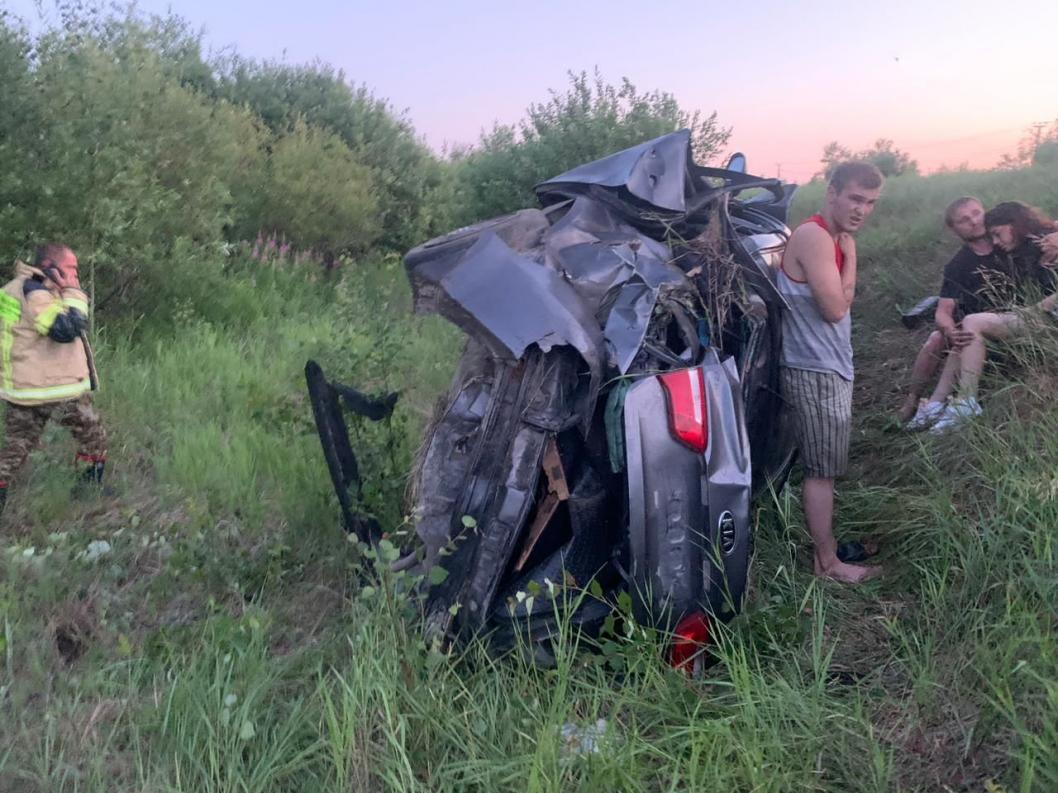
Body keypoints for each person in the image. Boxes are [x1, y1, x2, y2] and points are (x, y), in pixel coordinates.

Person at [778, 161, 884, 583]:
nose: (862, 209)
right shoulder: (814, 236)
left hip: (830, 366)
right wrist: (849, 254)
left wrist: (851, 253)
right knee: (820, 472)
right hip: (814, 370)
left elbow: (846, 297)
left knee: (828, 467)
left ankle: (828, 549)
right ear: (833, 192)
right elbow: (837, 308)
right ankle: (827, 565)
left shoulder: (836, 240)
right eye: (856, 198)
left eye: (871, 203)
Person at [928, 202, 1058, 433]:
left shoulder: (1045, 238)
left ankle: (963, 402)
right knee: (966, 331)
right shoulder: (1019, 249)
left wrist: (1035, 310)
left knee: (973, 323)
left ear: (1014, 224)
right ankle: (938, 404)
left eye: (997, 234)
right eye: (992, 236)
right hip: (1040, 317)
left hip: (1045, 317)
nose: (996, 241)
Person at [0, 243, 106, 517]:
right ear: (49, 266)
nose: (75, 275)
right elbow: (64, 329)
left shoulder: (15, 288)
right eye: (71, 269)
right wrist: (73, 292)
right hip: (54, 389)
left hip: (23, 388)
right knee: (93, 436)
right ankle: (89, 489)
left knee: (14, 448)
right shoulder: (36, 291)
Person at [899, 197, 1009, 427]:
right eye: (964, 220)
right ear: (954, 228)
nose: (974, 222)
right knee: (936, 339)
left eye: (977, 213)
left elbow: (1038, 225)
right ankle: (913, 400)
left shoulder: (1006, 239)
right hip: (969, 326)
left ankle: (948, 402)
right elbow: (943, 310)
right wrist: (950, 331)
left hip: (1009, 318)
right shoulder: (958, 265)